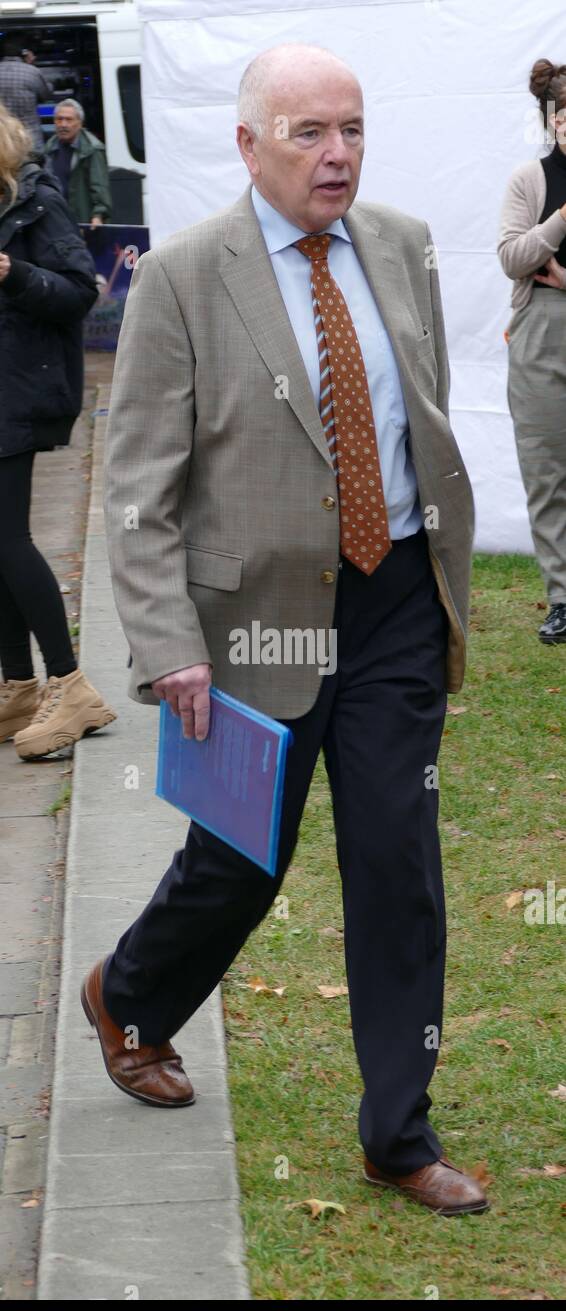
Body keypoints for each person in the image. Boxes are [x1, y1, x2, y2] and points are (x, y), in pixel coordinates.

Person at [82, 43, 489, 1217]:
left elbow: (417, 417)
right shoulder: (183, 277)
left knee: (393, 860)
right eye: (308, 132)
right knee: (238, 861)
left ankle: (396, 1135)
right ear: (250, 144)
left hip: (394, 601)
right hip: (247, 621)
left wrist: (446, 572)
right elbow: (139, 482)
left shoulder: (400, 245)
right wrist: (167, 641)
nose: (337, 154)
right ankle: (130, 995)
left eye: (351, 129)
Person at [0, 102, 117, 758]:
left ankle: (70, 685)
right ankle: (18, 684)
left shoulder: (39, 201)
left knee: (10, 539)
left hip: (18, 389)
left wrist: (15, 274)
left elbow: (81, 290)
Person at [498, 58, 566, 644]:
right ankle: (563, 598)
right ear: (549, 119)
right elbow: (511, 258)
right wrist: (561, 218)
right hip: (540, 336)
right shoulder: (531, 180)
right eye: (563, 114)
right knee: (547, 472)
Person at [45, 99, 112, 228]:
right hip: (57, 222)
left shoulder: (92, 149)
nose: (63, 124)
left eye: (69, 119)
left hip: (84, 223)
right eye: (59, 119)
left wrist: (98, 216)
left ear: (79, 123)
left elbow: (100, 187)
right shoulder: (50, 147)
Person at [0, 34, 51, 152]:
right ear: (24, 53)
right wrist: (30, 64)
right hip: (31, 141)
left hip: (3, 142)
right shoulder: (32, 72)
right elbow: (46, 95)